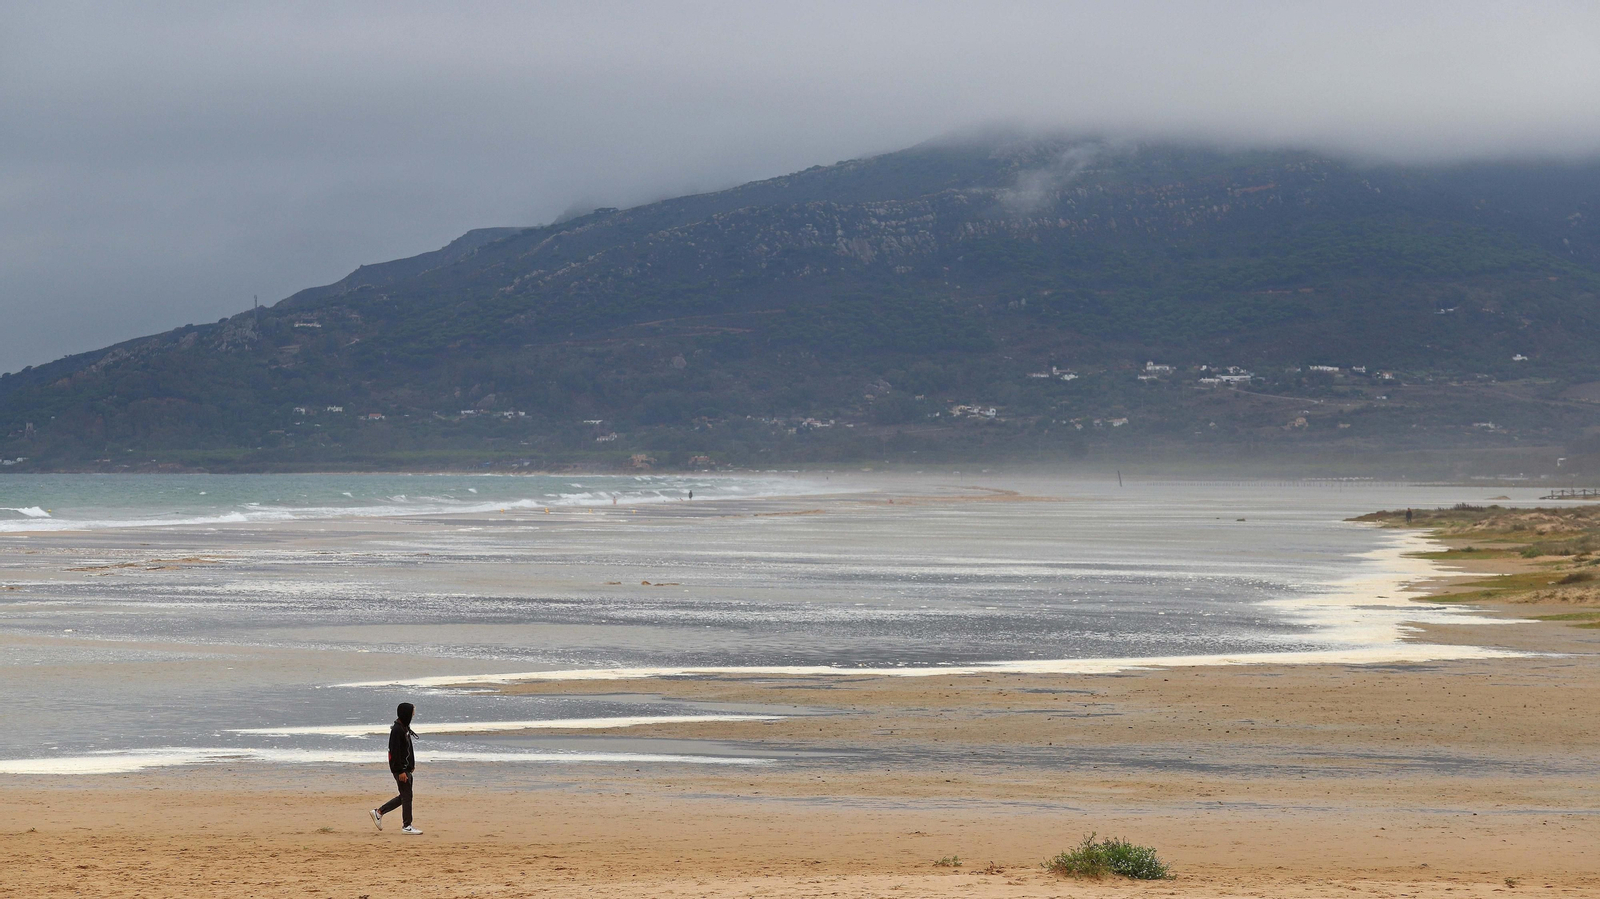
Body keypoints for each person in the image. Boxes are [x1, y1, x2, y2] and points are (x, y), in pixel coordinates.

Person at [371, 702, 422, 834]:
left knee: (405, 796)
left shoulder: (404, 728)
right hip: (401, 770)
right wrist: (400, 771)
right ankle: (407, 826)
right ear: (406, 713)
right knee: (407, 796)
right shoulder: (397, 730)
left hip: (406, 769)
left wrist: (411, 766)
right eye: (412, 712)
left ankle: (379, 812)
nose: (413, 715)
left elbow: (408, 750)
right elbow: (394, 753)